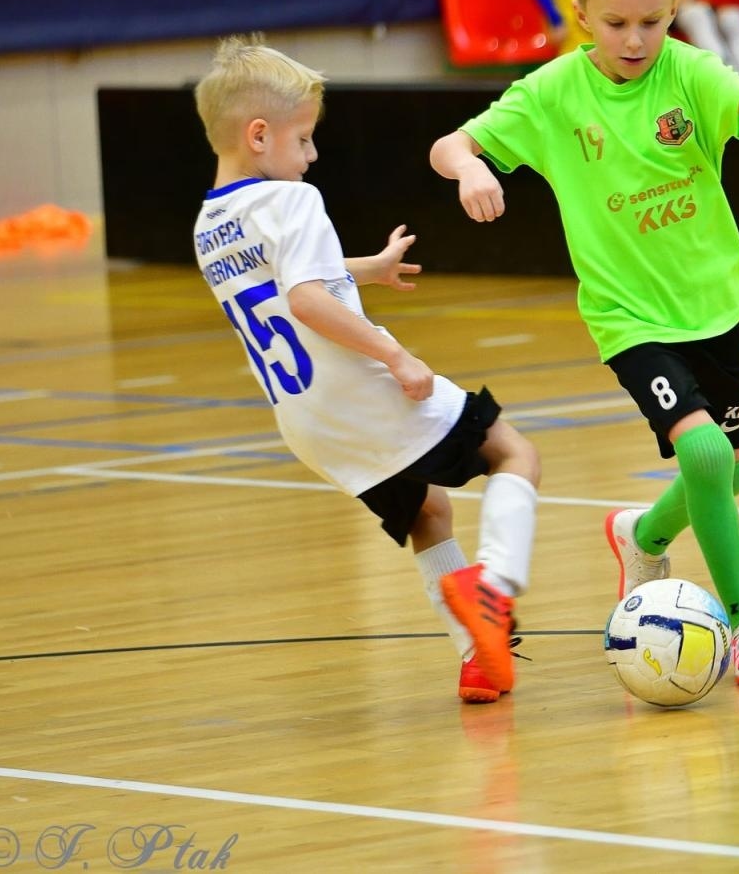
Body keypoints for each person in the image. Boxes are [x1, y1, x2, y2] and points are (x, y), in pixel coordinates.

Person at [429, 0, 739, 685]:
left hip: (712, 304)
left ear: (674, 7)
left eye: (651, 20)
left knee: (728, 476)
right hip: (627, 317)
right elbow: (451, 143)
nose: (635, 39)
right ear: (582, 16)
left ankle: (640, 534)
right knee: (705, 453)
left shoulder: (690, 73)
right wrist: (472, 170)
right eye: (616, 23)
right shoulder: (550, 96)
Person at [191, 37, 539, 704]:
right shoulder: (295, 201)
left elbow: (280, 281)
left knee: (428, 512)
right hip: (363, 390)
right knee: (514, 453)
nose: (312, 155)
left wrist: (364, 270)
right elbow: (306, 297)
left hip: (309, 424)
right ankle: (493, 592)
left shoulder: (211, 224)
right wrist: (397, 356)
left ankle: (477, 659)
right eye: (305, 139)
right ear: (260, 135)